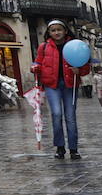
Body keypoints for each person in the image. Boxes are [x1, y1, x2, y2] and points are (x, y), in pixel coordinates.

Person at [32, 19, 90, 160]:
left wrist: (79, 70)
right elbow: (38, 62)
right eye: (53, 30)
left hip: (70, 85)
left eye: (59, 29)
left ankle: (73, 149)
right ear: (49, 33)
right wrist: (34, 68)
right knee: (56, 114)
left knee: (70, 117)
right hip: (52, 85)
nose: (56, 32)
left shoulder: (75, 46)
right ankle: (59, 147)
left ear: (65, 31)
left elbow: (86, 66)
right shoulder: (43, 47)